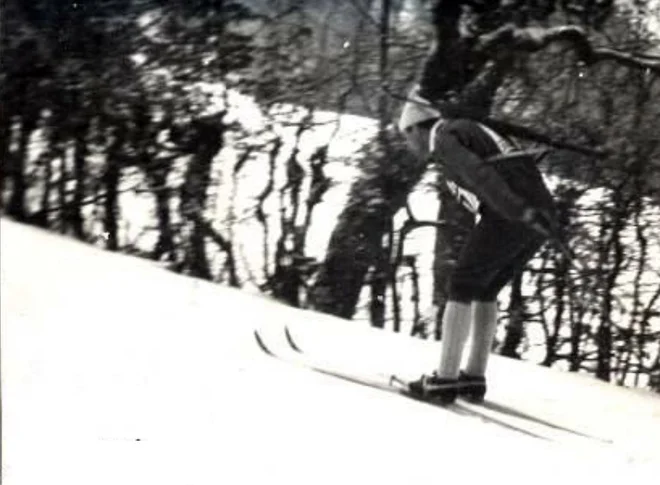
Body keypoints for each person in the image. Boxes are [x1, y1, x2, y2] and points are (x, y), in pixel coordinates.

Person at [397, 79, 558, 405]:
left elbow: (479, 175)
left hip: (515, 213)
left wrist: (518, 211)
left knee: (461, 285)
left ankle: (443, 381)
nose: (408, 144)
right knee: (485, 290)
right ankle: (473, 377)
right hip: (542, 214)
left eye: (406, 136)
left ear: (416, 128)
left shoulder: (444, 137)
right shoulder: (470, 129)